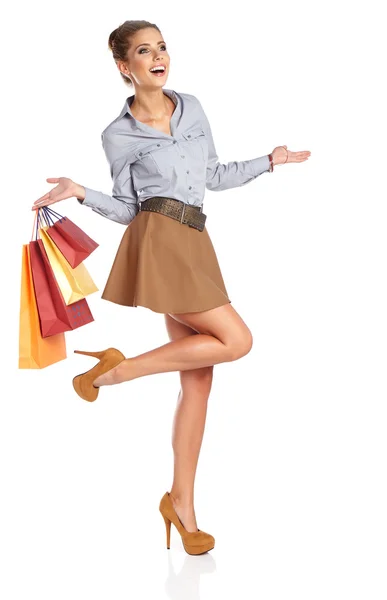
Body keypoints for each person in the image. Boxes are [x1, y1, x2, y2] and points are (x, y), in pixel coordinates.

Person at [32, 20, 311, 555]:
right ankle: (118, 371)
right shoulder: (118, 134)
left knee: (198, 383)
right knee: (238, 340)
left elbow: (213, 175)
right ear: (124, 67)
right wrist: (80, 193)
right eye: (144, 50)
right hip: (159, 239)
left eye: (162, 47)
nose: (158, 56)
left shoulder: (193, 107)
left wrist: (268, 163)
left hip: (196, 238)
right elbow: (128, 208)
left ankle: (181, 506)